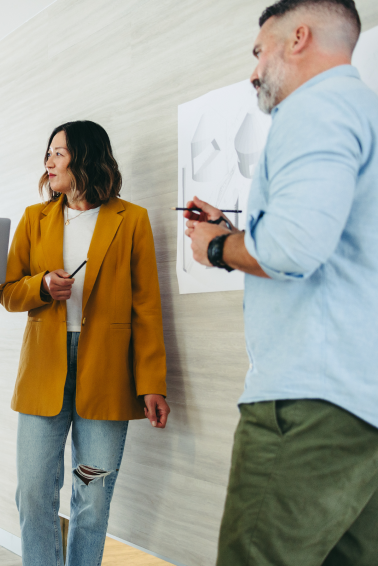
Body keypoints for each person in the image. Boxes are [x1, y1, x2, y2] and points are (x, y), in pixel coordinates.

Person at [183, 1, 378, 564]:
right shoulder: (364, 111)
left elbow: (292, 250)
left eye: (258, 51)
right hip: (361, 406)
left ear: (298, 38)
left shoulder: (313, 109)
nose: (253, 72)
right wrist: (239, 234)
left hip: (308, 402)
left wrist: (217, 247)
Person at [0, 121, 170, 566]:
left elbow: (146, 307)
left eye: (58, 152)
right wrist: (40, 287)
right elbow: (8, 290)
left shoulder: (131, 219)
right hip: (43, 374)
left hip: (108, 377)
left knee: (91, 497)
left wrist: (153, 383)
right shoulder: (35, 219)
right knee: (34, 492)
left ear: (85, 157)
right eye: (48, 153)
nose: (48, 162)